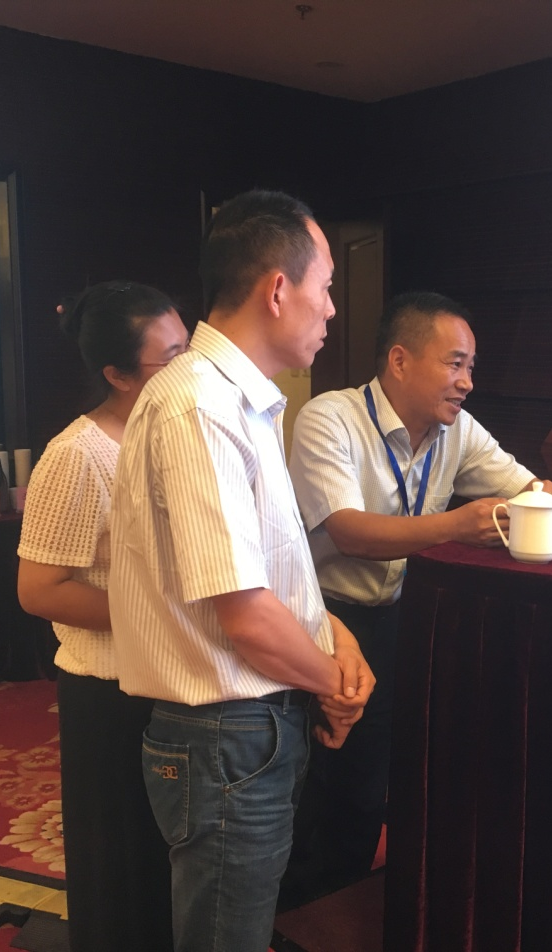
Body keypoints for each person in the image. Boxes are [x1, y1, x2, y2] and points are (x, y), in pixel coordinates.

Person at [108, 189, 375, 952]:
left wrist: (336, 637)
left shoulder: (236, 401)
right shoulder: (200, 405)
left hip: (245, 731)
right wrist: (334, 685)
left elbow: (272, 574)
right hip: (225, 734)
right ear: (278, 289)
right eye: (326, 286)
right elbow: (247, 617)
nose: (331, 309)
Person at [285, 290, 552, 901]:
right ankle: (295, 912)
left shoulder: (456, 430)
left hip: (400, 619)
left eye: (471, 367)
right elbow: (349, 532)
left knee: (375, 782)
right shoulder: (330, 418)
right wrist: (457, 524)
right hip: (322, 618)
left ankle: (344, 905)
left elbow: (529, 489)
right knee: (318, 779)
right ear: (400, 360)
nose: (467, 382)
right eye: (455, 363)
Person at [17, 280, 189, 952]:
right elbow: (39, 589)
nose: (188, 369)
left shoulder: (176, 436)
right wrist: (155, 611)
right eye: (169, 358)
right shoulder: (79, 454)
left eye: (188, 348)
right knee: (121, 867)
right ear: (117, 374)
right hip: (108, 693)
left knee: (168, 858)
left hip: (170, 680)